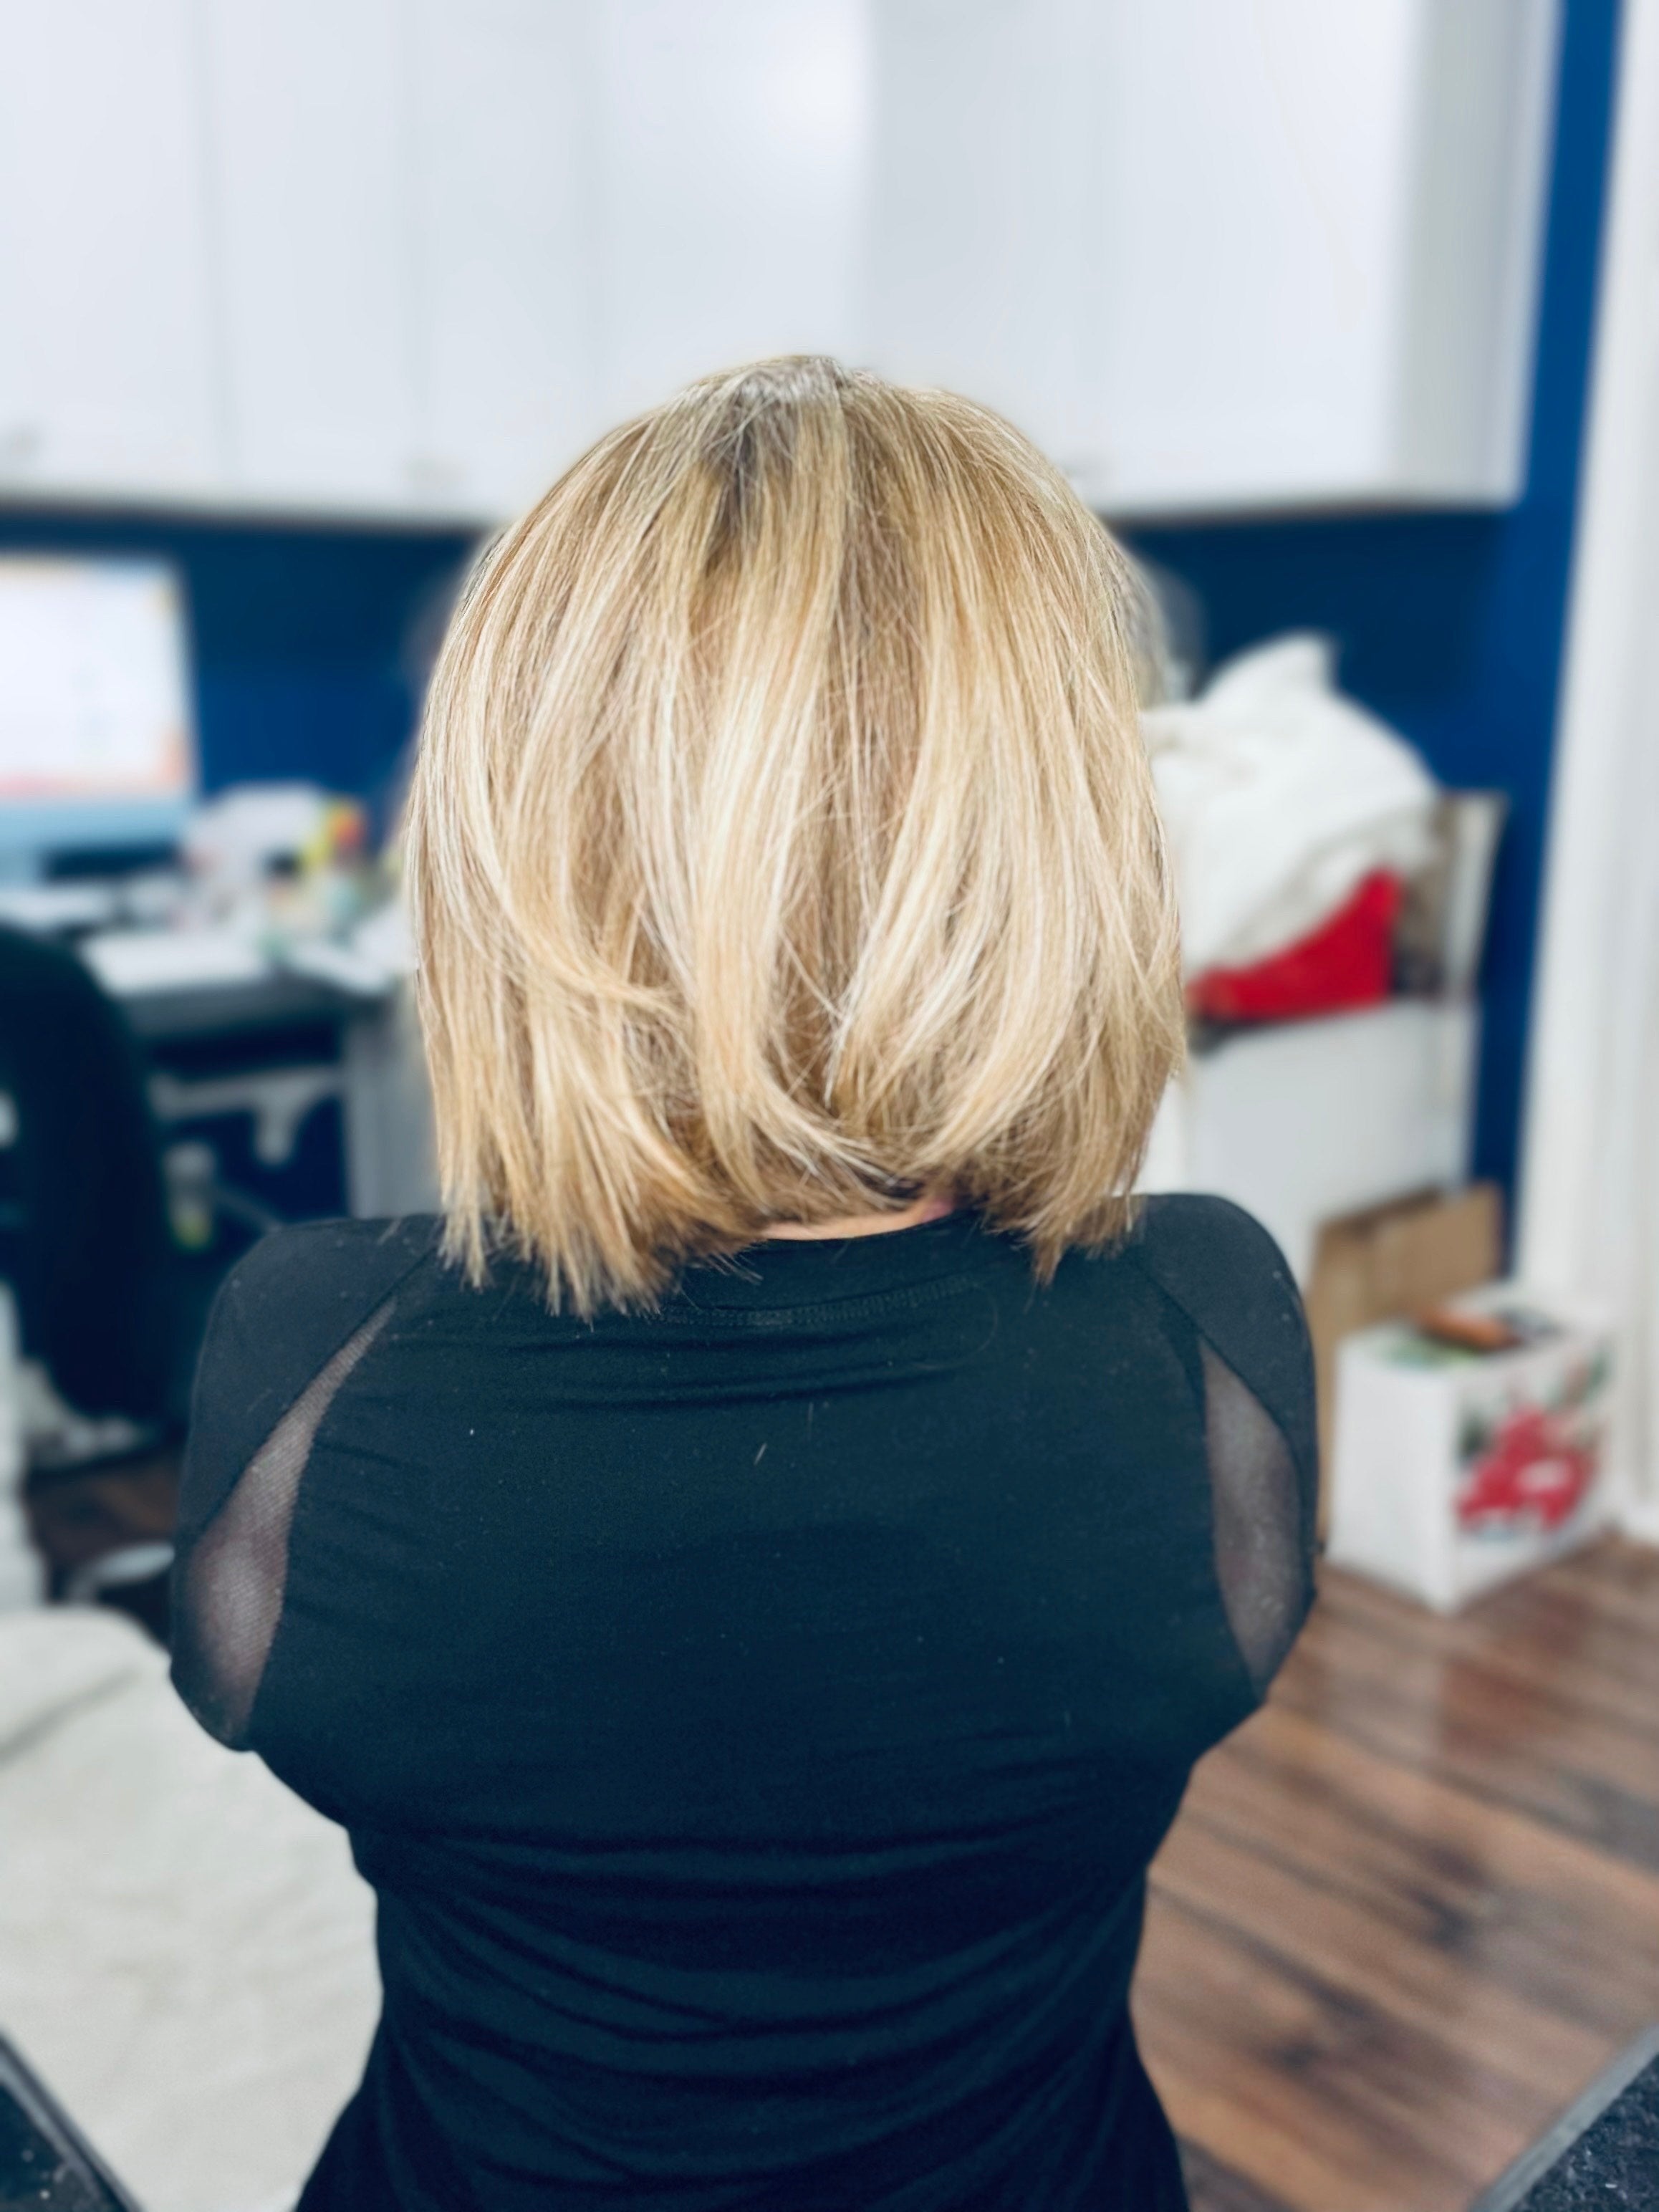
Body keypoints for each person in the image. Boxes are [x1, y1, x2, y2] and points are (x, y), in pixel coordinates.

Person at [171, 357, 1315, 2211]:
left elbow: (264, 1701)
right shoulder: (1210, 1327)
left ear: (515, 845)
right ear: (1068, 841)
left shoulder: (316, 1352)